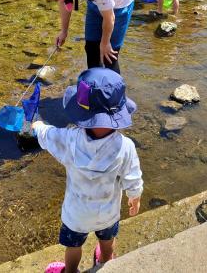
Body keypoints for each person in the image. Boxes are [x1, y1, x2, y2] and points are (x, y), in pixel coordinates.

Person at [32, 67, 143, 273]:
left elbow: (48, 135)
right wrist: (134, 197)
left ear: (81, 112)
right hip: (108, 213)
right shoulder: (126, 146)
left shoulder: (69, 138)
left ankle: (71, 271)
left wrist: (37, 124)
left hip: (76, 215)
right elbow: (133, 177)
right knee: (108, 240)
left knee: (73, 246)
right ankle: (105, 263)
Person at [25, 0, 135, 74]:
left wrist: (105, 42)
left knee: (109, 55)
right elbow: (65, 0)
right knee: (91, 48)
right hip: (94, 0)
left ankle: (114, 90)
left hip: (120, 1)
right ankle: (93, 85)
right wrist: (64, 31)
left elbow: (110, 18)